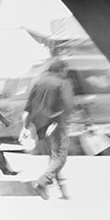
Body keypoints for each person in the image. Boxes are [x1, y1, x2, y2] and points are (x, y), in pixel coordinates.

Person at [25, 55, 77, 198]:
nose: (66, 73)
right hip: (57, 122)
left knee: (54, 156)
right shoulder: (62, 83)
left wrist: (27, 125)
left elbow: (28, 106)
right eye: (65, 70)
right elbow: (69, 106)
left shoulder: (39, 82)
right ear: (60, 70)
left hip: (40, 124)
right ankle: (42, 183)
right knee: (60, 157)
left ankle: (62, 191)